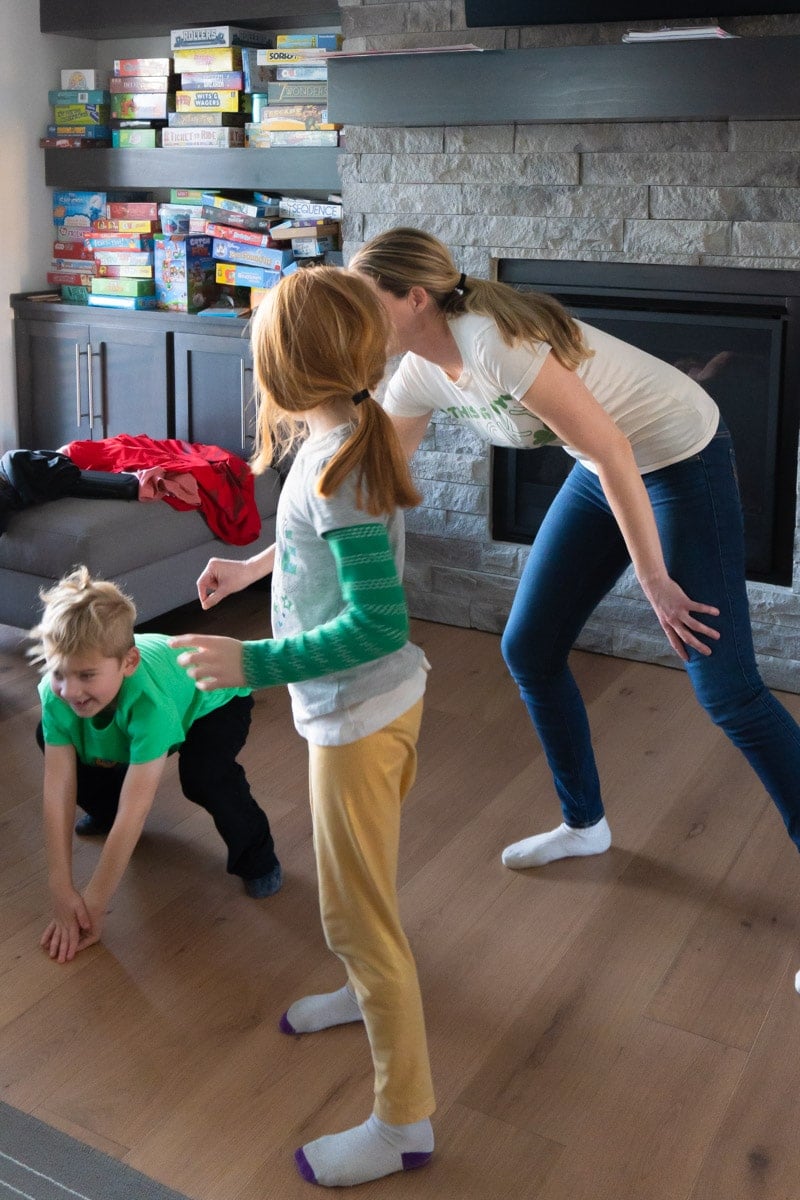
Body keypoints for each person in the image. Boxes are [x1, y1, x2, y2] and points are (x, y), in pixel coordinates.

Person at [349, 226, 800, 878]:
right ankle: (583, 823)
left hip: (680, 457)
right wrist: (268, 559)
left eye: (367, 303)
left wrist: (654, 578)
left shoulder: (490, 342)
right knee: (529, 647)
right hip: (600, 467)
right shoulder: (420, 375)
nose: (359, 321)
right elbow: (372, 490)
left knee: (726, 689)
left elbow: (616, 447)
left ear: (415, 298)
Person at [170, 267, 436, 1188]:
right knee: (362, 885)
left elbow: (378, 621)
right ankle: (367, 997)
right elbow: (319, 551)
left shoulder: (333, 467)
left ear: (284, 366)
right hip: (380, 705)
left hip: (357, 715)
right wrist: (252, 575)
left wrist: (252, 663)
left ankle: (403, 1123)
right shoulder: (345, 435)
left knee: (355, 915)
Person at [30, 567, 282, 964]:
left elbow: (138, 807)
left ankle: (258, 856)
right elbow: (57, 787)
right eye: (58, 672)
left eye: (86, 675)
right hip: (143, 710)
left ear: (128, 663)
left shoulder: (149, 704)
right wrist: (60, 887)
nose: (69, 690)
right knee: (55, 737)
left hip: (211, 699)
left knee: (205, 778)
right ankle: (103, 811)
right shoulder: (57, 693)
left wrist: (93, 903)